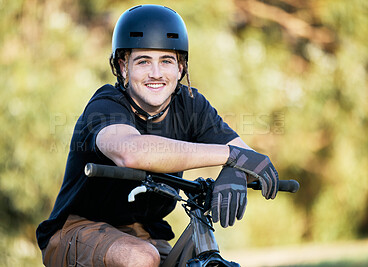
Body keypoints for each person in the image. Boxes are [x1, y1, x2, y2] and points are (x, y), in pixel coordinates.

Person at [36, 4, 279, 267]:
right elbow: (132, 152)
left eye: (166, 61)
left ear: (180, 68)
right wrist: (231, 156)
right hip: (78, 230)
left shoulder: (191, 104)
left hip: (147, 233)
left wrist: (235, 169)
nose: (156, 73)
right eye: (143, 61)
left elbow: (248, 156)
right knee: (142, 258)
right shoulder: (106, 105)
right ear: (123, 67)